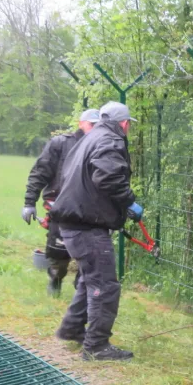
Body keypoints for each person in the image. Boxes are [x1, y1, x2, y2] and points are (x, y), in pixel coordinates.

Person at [49, 101, 144, 361]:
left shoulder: (90, 138)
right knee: (105, 284)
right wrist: (129, 201)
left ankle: (71, 328)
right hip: (86, 224)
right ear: (124, 124)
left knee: (90, 279)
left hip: (73, 220)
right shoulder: (110, 141)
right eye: (128, 125)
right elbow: (108, 178)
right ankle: (96, 346)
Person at [22, 109, 99, 295]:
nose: (94, 128)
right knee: (59, 251)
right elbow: (40, 172)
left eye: (98, 125)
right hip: (60, 207)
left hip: (89, 209)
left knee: (89, 253)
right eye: (91, 124)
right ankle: (55, 279)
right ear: (81, 123)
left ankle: (81, 290)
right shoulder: (61, 143)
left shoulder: (101, 147)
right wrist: (29, 202)